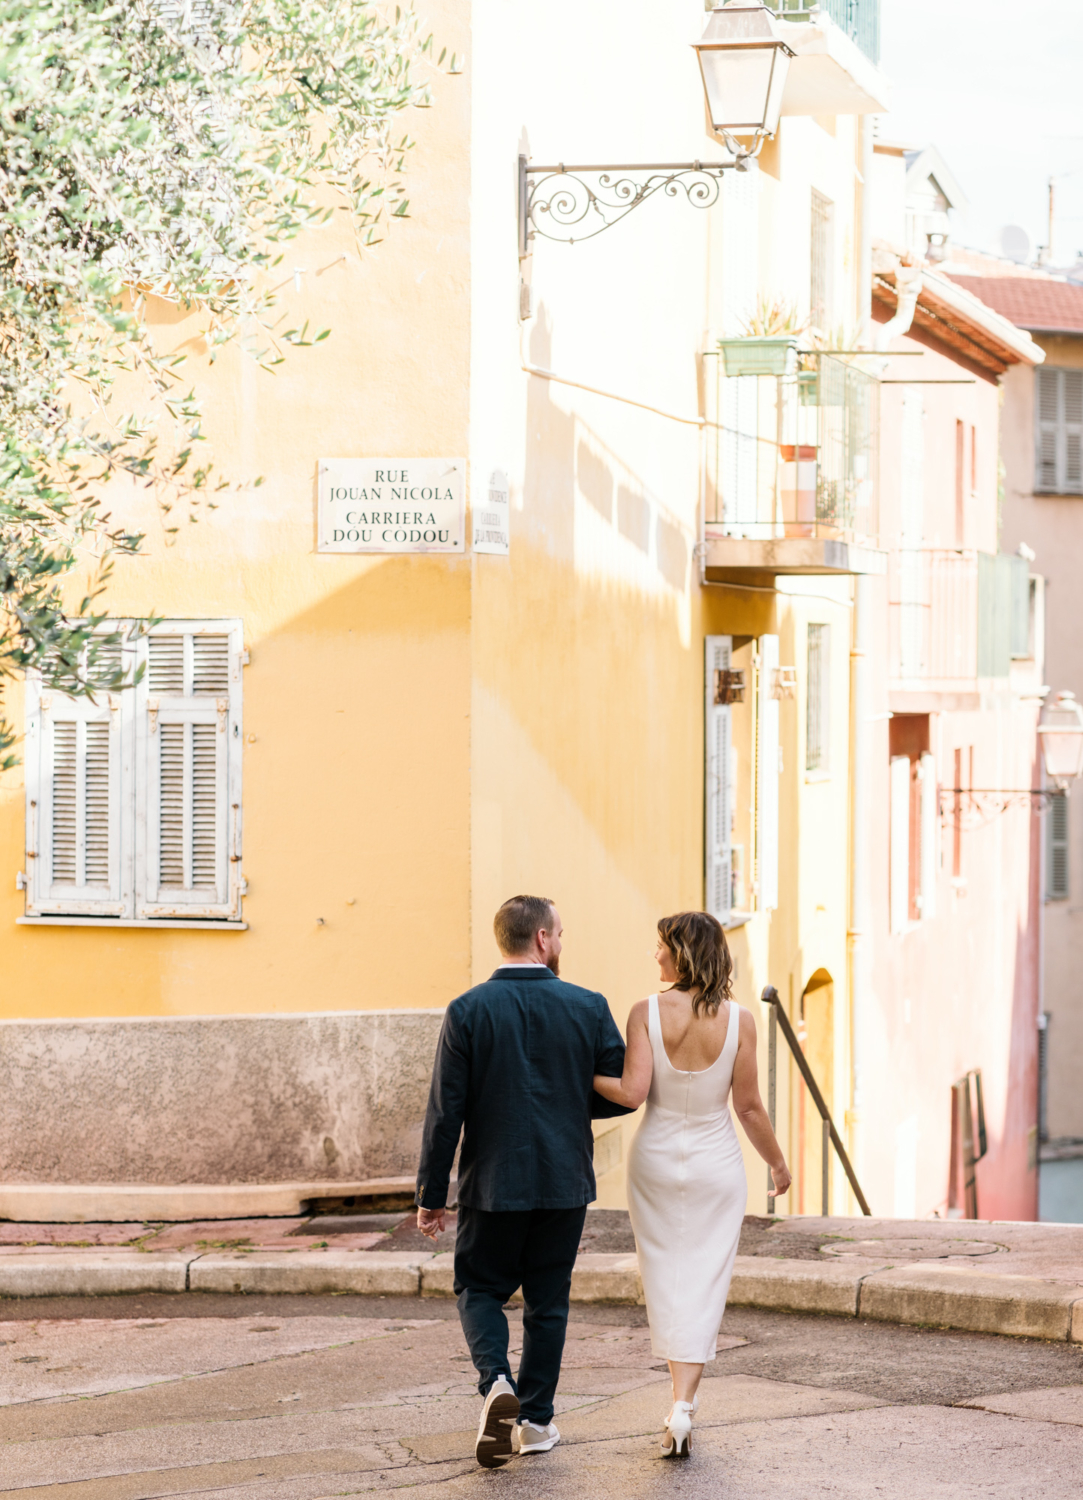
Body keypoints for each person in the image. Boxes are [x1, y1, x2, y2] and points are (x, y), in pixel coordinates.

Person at [415, 895, 632, 1469]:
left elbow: (445, 1113)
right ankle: (535, 1422)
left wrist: (431, 1197)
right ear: (540, 938)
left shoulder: (467, 1009)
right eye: (559, 933)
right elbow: (621, 1091)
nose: (562, 943)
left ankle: (494, 1385)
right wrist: (567, 1098)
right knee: (547, 1302)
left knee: (479, 1288)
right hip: (564, 1181)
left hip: (494, 1182)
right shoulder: (588, 1006)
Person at [593, 910, 791, 1459]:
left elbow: (631, 1093)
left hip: (655, 1161)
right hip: (716, 1164)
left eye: (660, 946)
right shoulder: (741, 1021)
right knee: (705, 1279)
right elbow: (748, 1107)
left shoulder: (645, 1013)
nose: (654, 955)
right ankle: (683, 1405)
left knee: (665, 1275)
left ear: (681, 953)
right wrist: (777, 1164)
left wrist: (577, 1073)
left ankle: (678, 1399)